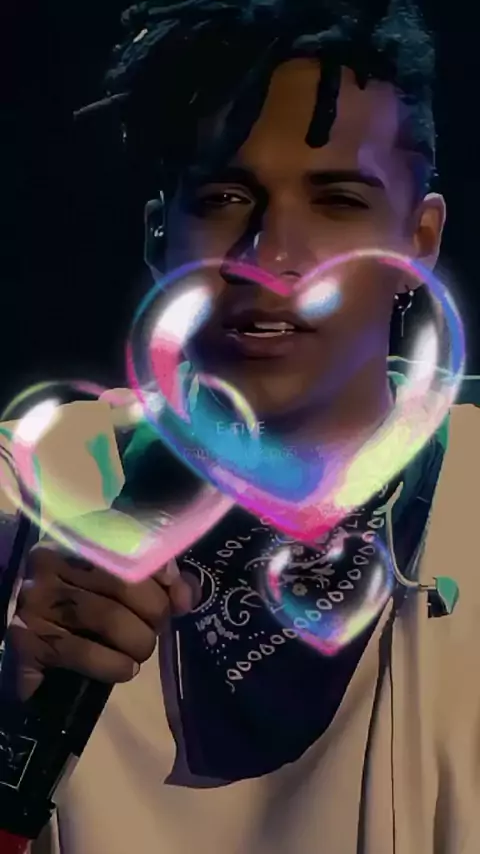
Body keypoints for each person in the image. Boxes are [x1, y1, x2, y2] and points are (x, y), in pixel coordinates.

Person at [2, 1, 480, 852]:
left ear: (420, 239)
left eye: (337, 200)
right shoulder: (24, 499)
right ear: (158, 235)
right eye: (225, 197)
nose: (272, 257)